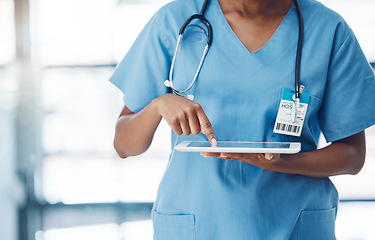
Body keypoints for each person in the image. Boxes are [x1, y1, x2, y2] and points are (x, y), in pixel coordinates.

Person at [109, 0, 375, 239]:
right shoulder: (174, 20)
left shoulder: (328, 29)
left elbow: (352, 155)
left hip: (293, 224)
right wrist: (158, 105)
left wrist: (283, 163)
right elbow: (124, 144)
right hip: (197, 223)